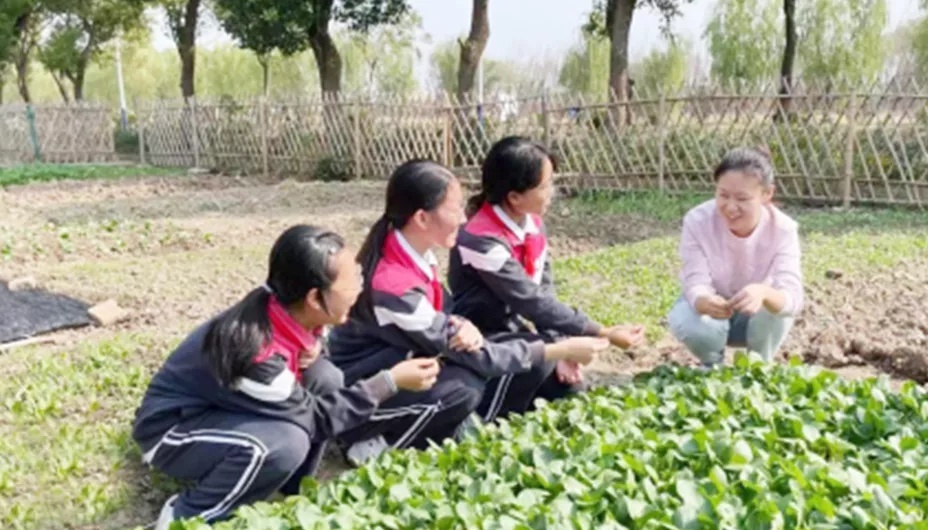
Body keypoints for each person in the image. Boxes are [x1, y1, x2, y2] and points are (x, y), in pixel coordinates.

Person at [131, 224, 440, 530]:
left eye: (357, 276)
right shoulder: (259, 355)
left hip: (223, 406)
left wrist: (314, 349)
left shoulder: (283, 306)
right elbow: (317, 419)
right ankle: (186, 517)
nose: (359, 290)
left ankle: (286, 489)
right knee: (284, 444)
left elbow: (315, 384)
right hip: (171, 431)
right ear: (314, 299)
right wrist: (389, 382)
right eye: (350, 286)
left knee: (326, 377)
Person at [328, 159, 610, 462]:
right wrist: (562, 347)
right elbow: (484, 352)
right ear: (422, 218)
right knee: (463, 387)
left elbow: (448, 313)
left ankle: (465, 426)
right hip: (364, 392)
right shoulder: (393, 284)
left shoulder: (411, 253)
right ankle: (374, 444)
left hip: (407, 359)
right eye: (455, 209)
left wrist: (461, 323)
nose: (464, 218)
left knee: (527, 354)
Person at [448, 135, 644, 409]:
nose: (553, 191)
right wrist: (603, 332)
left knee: (571, 389)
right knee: (539, 363)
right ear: (514, 197)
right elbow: (531, 301)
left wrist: (563, 346)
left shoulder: (533, 225)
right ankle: (482, 415)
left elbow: (543, 291)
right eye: (546, 185)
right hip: (479, 337)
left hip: (516, 330)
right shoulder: (480, 240)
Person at [666, 146, 804, 368]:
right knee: (688, 317)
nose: (730, 207)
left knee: (777, 308)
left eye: (742, 198)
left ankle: (759, 366)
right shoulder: (698, 221)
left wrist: (763, 292)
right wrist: (703, 300)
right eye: (723, 195)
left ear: (767, 194)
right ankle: (711, 365)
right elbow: (695, 281)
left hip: (755, 320)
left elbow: (793, 297)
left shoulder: (783, 229)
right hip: (713, 316)